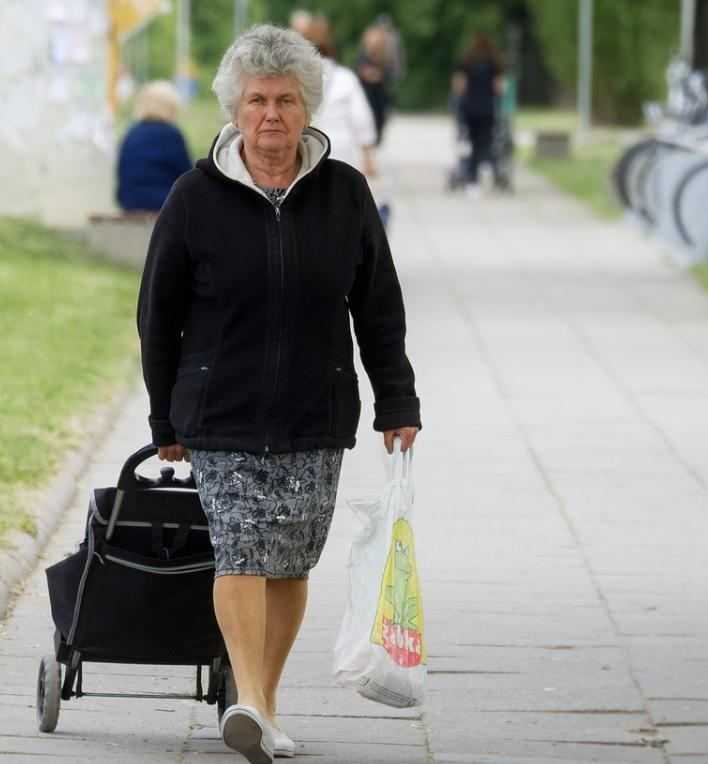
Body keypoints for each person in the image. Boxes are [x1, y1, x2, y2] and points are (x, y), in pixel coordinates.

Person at [137, 24, 421, 764]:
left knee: (291, 561)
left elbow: (378, 306)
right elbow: (157, 314)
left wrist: (398, 402)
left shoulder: (345, 195)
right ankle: (250, 702)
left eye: (287, 100)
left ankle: (263, 699)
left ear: (308, 109)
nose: (272, 115)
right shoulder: (194, 197)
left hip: (314, 410)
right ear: (234, 109)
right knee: (240, 552)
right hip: (219, 413)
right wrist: (164, 414)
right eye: (257, 100)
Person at [300, 16, 377, 178]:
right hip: (341, 151)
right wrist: (368, 156)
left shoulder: (295, 77)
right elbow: (361, 117)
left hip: (306, 150)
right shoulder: (346, 77)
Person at [115, 80, 192, 213]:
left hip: (130, 202)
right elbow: (187, 175)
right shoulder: (172, 135)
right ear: (170, 107)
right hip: (165, 203)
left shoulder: (131, 133)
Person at [452, 32, 505, 192]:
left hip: (470, 108)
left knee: (472, 143)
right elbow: (499, 88)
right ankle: (488, 172)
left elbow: (460, 87)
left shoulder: (466, 62)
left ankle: (471, 176)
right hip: (487, 108)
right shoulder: (494, 64)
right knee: (486, 142)